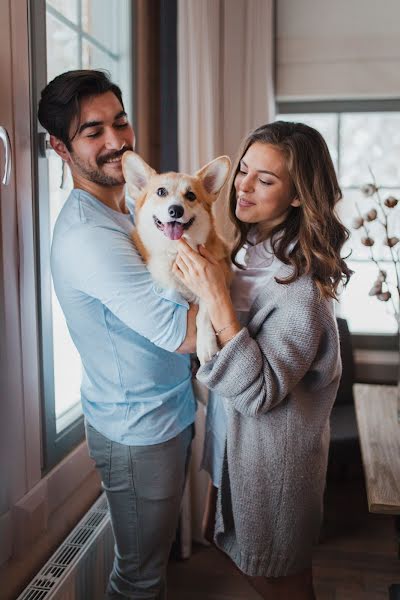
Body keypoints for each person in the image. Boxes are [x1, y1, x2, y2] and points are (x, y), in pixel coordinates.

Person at [173, 121, 352, 600]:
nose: (242, 186)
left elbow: (261, 391)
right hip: (233, 445)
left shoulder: (301, 288)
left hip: (274, 462)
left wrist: (218, 300)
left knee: (279, 579)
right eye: (244, 171)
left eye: (264, 180)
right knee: (237, 551)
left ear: (297, 196)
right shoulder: (246, 249)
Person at [38, 69, 198, 600]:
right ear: (60, 147)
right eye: (93, 131)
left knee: (150, 567)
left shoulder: (132, 206)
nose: (116, 142)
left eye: (121, 123)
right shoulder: (89, 236)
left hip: (164, 412)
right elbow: (183, 335)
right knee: (139, 579)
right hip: (139, 432)